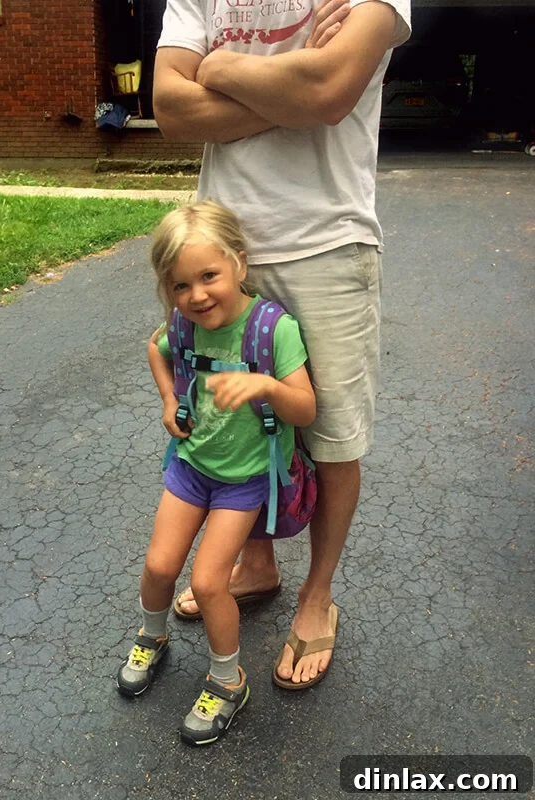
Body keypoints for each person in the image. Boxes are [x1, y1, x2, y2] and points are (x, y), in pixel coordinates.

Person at [152, 0, 412, 689]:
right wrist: (290, 87)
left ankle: (317, 596)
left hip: (327, 245)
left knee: (328, 439)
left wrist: (223, 66)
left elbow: (330, 92)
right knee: (240, 419)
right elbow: (172, 111)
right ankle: (258, 563)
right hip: (225, 245)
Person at [116, 200, 315, 745]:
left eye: (209, 276)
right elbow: (154, 349)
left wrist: (266, 386)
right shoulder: (182, 324)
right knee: (159, 567)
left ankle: (228, 681)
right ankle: (151, 636)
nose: (197, 295)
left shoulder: (274, 329)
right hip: (190, 465)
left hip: (244, 479)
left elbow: (306, 409)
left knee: (207, 584)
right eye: (180, 285)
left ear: (240, 265)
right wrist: (167, 398)